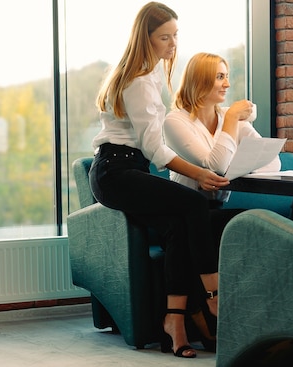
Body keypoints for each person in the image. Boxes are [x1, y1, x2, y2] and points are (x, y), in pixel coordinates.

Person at [89, 2, 227, 359]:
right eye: (164, 37)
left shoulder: (143, 75)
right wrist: (200, 174)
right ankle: (214, 298)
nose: (172, 44)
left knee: (179, 227)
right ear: (145, 38)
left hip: (124, 169)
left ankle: (175, 320)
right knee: (195, 202)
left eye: (175, 35)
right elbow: (154, 148)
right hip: (116, 172)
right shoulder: (139, 80)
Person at [164, 52, 281, 210]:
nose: (227, 84)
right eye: (220, 77)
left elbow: (272, 161)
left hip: (218, 208)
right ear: (199, 81)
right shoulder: (174, 122)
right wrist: (232, 117)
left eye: (226, 76)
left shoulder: (229, 116)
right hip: (185, 210)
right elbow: (216, 165)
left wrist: (231, 171)